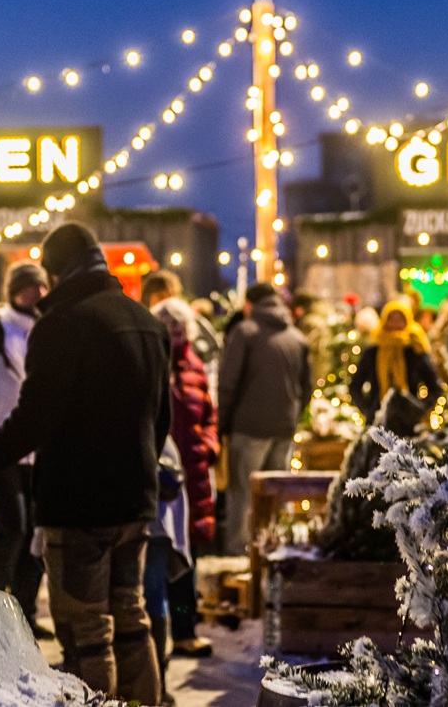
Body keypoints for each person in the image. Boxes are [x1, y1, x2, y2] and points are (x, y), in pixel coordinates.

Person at [0, 223, 170, 704]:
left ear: (57, 272)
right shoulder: (145, 322)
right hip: (135, 497)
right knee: (131, 619)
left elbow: (36, 416)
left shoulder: (61, 325)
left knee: (87, 631)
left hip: (79, 504)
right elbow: (161, 418)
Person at [0, 261, 50, 640]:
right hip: (0, 445)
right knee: (12, 529)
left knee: (37, 533)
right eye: (29, 287)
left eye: (41, 286)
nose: (36, 294)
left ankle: (26, 613)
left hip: (39, 451)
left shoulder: (47, 331)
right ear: (14, 291)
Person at [218, 282, 311, 556]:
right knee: (276, 494)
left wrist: (223, 423)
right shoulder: (297, 336)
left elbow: (228, 383)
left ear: (249, 304)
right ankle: (275, 551)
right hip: (284, 426)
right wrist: (293, 414)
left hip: (248, 427)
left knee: (243, 495)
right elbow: (307, 387)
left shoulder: (244, 332)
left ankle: (239, 555)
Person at [151, 297, 217, 659]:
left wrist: (208, 445)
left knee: (187, 557)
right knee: (164, 553)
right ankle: (161, 633)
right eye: (169, 329)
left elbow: (209, 412)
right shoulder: (152, 364)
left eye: (180, 329)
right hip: (163, 472)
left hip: (193, 470)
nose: (175, 336)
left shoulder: (194, 367)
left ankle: (185, 628)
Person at [349, 298, 442, 423]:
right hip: (377, 419)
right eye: (391, 319)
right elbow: (355, 386)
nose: (395, 323)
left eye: (400, 319)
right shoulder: (373, 351)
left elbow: (435, 386)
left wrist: (420, 409)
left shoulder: (415, 349)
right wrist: (368, 409)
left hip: (409, 422)